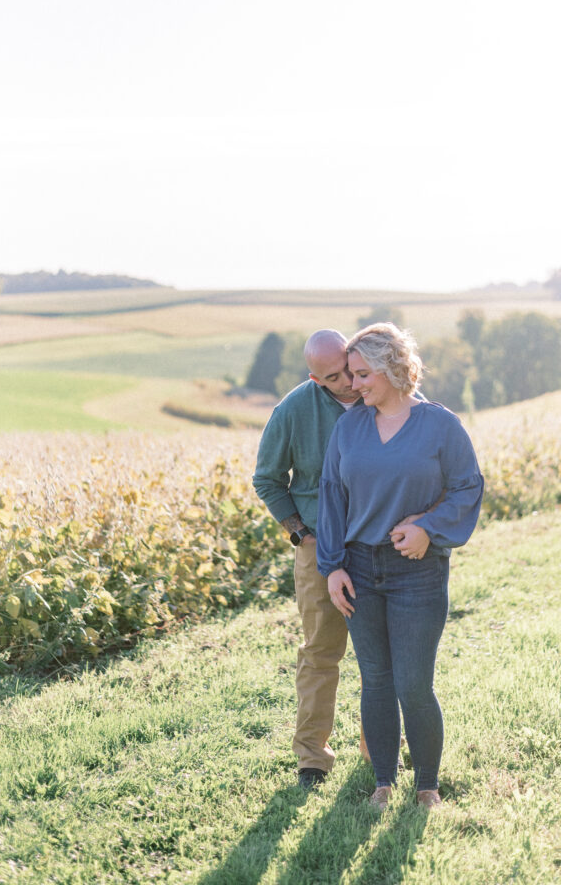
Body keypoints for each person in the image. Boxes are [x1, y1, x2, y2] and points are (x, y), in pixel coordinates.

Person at [316, 322, 484, 811]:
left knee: (413, 682)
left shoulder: (441, 426)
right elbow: (331, 498)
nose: (354, 384)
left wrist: (428, 527)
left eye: (363, 374)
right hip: (359, 571)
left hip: (419, 572)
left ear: (392, 368)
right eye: (349, 374)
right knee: (376, 680)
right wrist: (333, 567)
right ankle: (383, 783)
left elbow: (468, 487)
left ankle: (427, 786)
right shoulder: (349, 426)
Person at [252, 328, 367, 790]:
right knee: (321, 652)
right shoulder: (294, 409)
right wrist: (299, 533)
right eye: (335, 377)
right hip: (318, 546)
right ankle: (312, 760)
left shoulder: (376, 392)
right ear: (317, 378)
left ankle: (378, 749)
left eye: (350, 369)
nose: (349, 384)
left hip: (374, 544)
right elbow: (267, 479)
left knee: (379, 656)